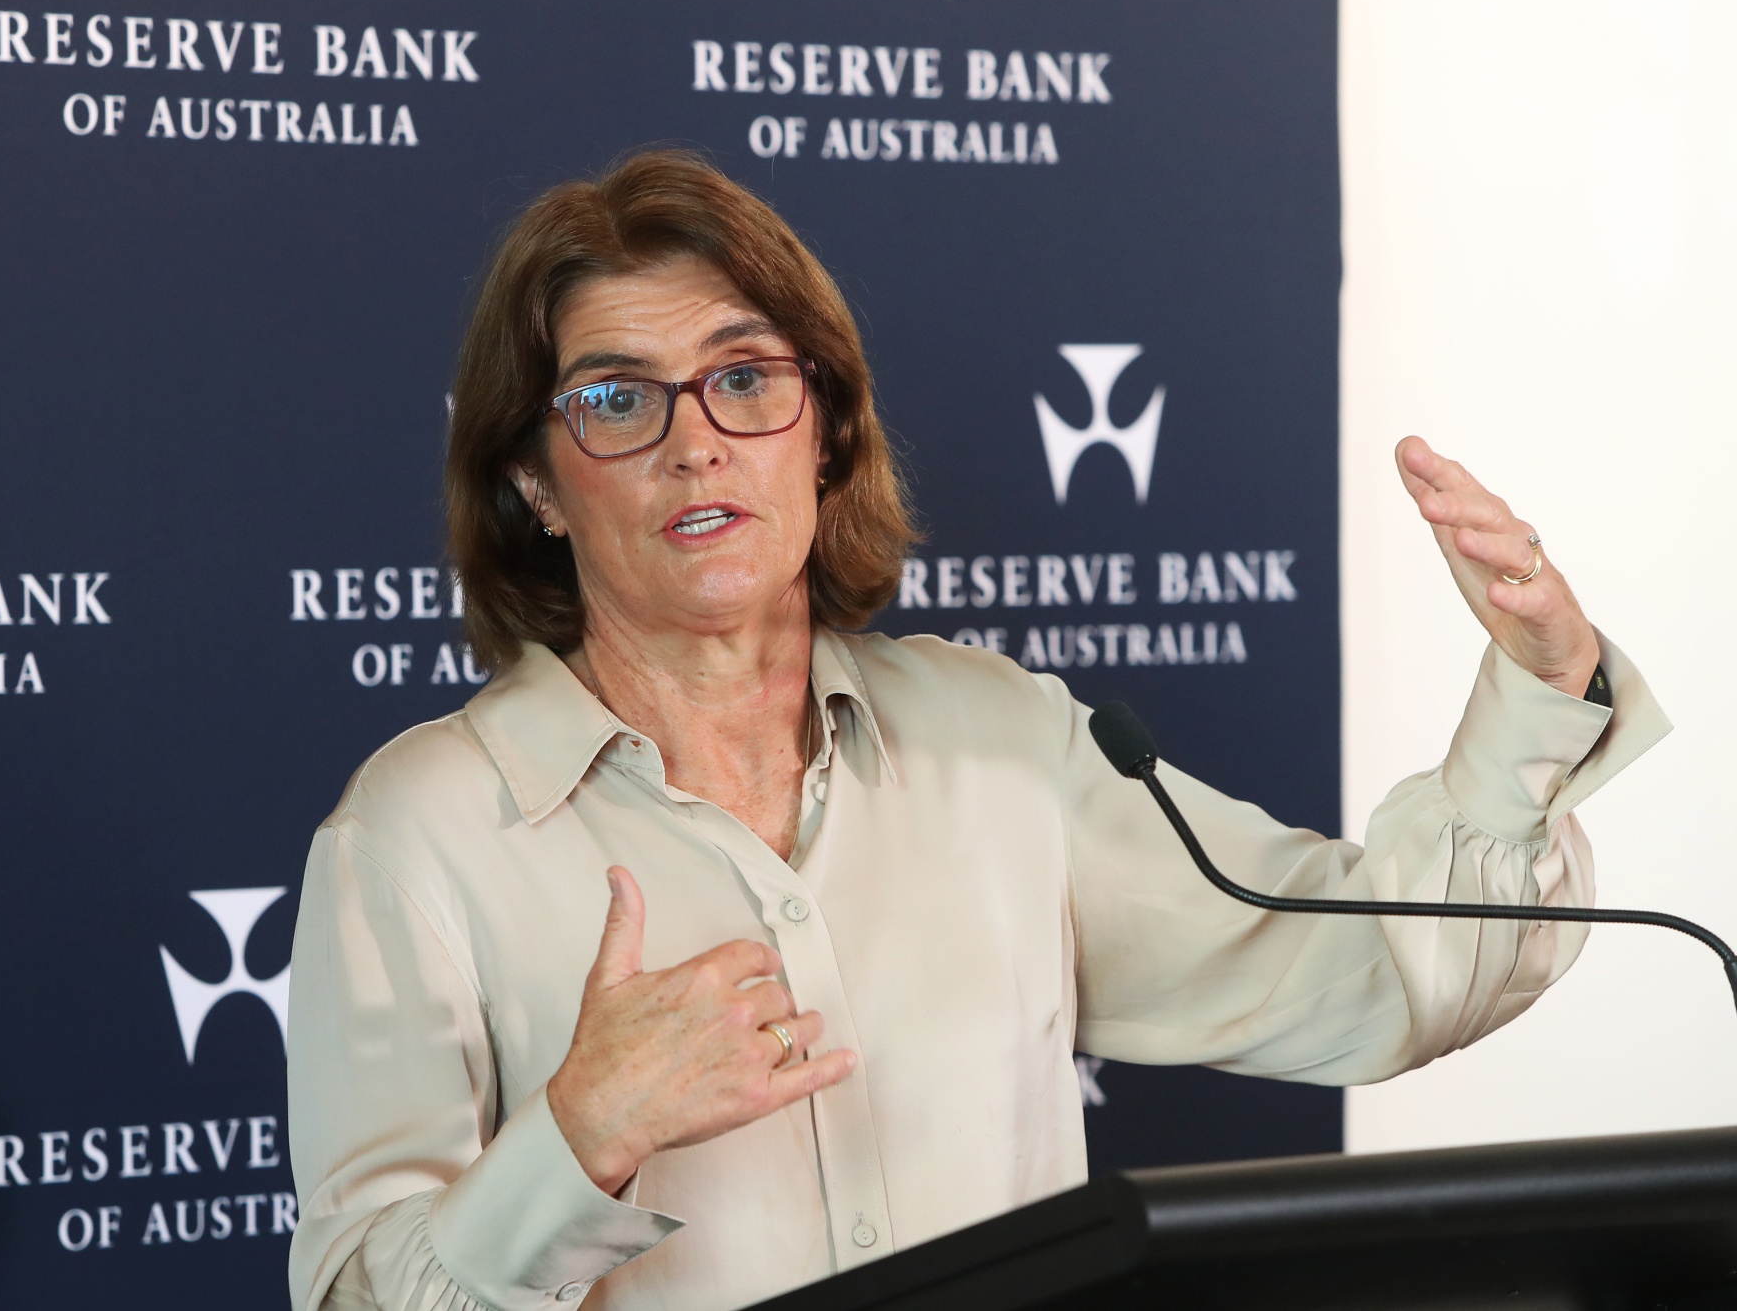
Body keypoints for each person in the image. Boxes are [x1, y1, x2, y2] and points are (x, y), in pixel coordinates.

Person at [284, 150, 1667, 1311]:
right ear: (533, 480)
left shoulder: (997, 743)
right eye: (615, 399)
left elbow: (1377, 977)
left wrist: (1540, 685)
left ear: (824, 429)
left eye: (745, 376)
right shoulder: (417, 836)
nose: (695, 442)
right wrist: (580, 1137)